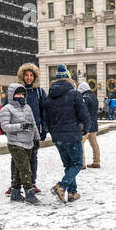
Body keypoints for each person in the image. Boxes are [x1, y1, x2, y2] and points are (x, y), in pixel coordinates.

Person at [45, 64, 91, 203]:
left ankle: (73, 192)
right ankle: (62, 185)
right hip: (72, 135)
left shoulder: (50, 96)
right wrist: (86, 127)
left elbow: (47, 117)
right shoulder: (74, 93)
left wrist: (53, 132)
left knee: (69, 165)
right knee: (77, 164)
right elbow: (84, 114)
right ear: (69, 80)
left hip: (58, 137)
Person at [4, 63, 48, 195]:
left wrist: (44, 129)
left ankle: (32, 183)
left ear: (35, 77)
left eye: (31, 75)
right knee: (16, 158)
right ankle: (14, 185)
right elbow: (6, 109)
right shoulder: (14, 91)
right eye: (26, 75)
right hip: (17, 131)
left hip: (33, 131)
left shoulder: (40, 92)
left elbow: (45, 111)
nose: (29, 78)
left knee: (33, 157)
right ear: (22, 76)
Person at [0, 84, 41, 204]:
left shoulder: (27, 107)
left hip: (28, 142)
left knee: (19, 168)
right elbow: (5, 127)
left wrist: (36, 138)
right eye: (18, 94)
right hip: (15, 143)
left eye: (23, 94)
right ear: (12, 95)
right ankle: (29, 193)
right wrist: (21, 126)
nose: (21, 96)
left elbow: (33, 123)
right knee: (25, 169)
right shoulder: (6, 109)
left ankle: (15, 193)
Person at [78, 82, 100, 169]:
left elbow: (83, 112)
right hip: (94, 124)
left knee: (81, 143)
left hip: (86, 125)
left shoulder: (85, 98)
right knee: (94, 143)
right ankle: (96, 161)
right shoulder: (94, 97)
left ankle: (82, 163)